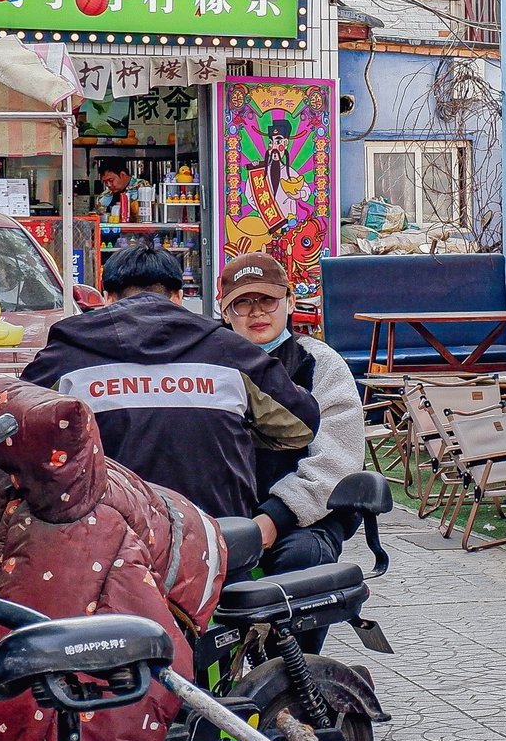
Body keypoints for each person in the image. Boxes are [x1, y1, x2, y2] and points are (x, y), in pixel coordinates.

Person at [22, 242, 317, 522]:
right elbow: (301, 425)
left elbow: (18, 431)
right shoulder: (233, 352)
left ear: (107, 298)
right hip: (220, 542)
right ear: (178, 297)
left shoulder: (64, 357)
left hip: (106, 545)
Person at [219, 251, 365, 602]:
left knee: (304, 561)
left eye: (268, 300)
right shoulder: (207, 365)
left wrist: (275, 516)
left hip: (304, 520)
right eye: (243, 303)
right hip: (221, 517)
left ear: (290, 300)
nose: (257, 312)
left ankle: (292, 659)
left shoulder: (320, 363)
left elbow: (337, 460)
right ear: (224, 312)